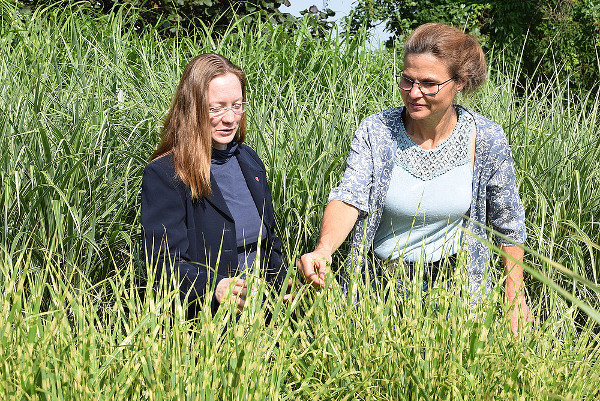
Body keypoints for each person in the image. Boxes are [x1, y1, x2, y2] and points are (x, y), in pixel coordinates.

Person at [298, 23, 532, 335]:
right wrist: (324, 248)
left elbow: (508, 223)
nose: (414, 93)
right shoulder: (377, 131)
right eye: (407, 80)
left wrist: (514, 297)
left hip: (457, 292)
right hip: (379, 290)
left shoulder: (486, 137)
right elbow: (350, 196)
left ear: (459, 82)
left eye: (429, 84)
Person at [141, 53, 287, 316]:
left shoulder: (249, 160)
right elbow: (162, 264)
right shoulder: (165, 174)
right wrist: (215, 287)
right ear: (192, 108)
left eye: (236, 105)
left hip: (265, 317)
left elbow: (268, 242)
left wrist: (287, 287)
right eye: (216, 108)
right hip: (205, 325)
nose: (230, 118)